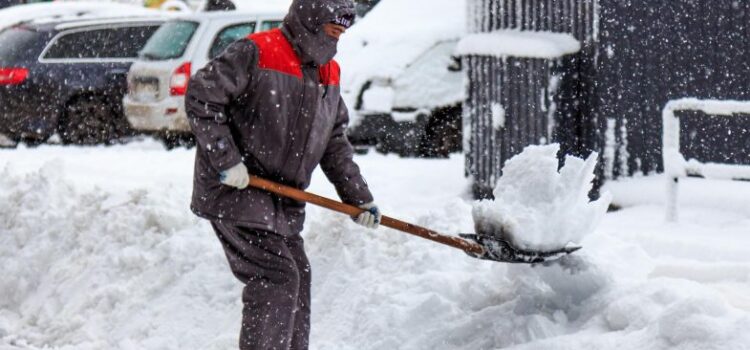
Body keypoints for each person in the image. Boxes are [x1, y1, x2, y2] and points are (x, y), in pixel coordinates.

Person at [184, 0, 380, 349]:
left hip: (283, 199)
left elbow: (334, 143)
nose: (341, 29)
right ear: (311, 15)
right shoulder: (257, 51)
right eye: (334, 21)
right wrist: (226, 160)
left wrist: (359, 199)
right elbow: (202, 96)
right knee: (275, 276)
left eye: (345, 24)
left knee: (297, 276)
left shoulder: (327, 72)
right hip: (238, 189)